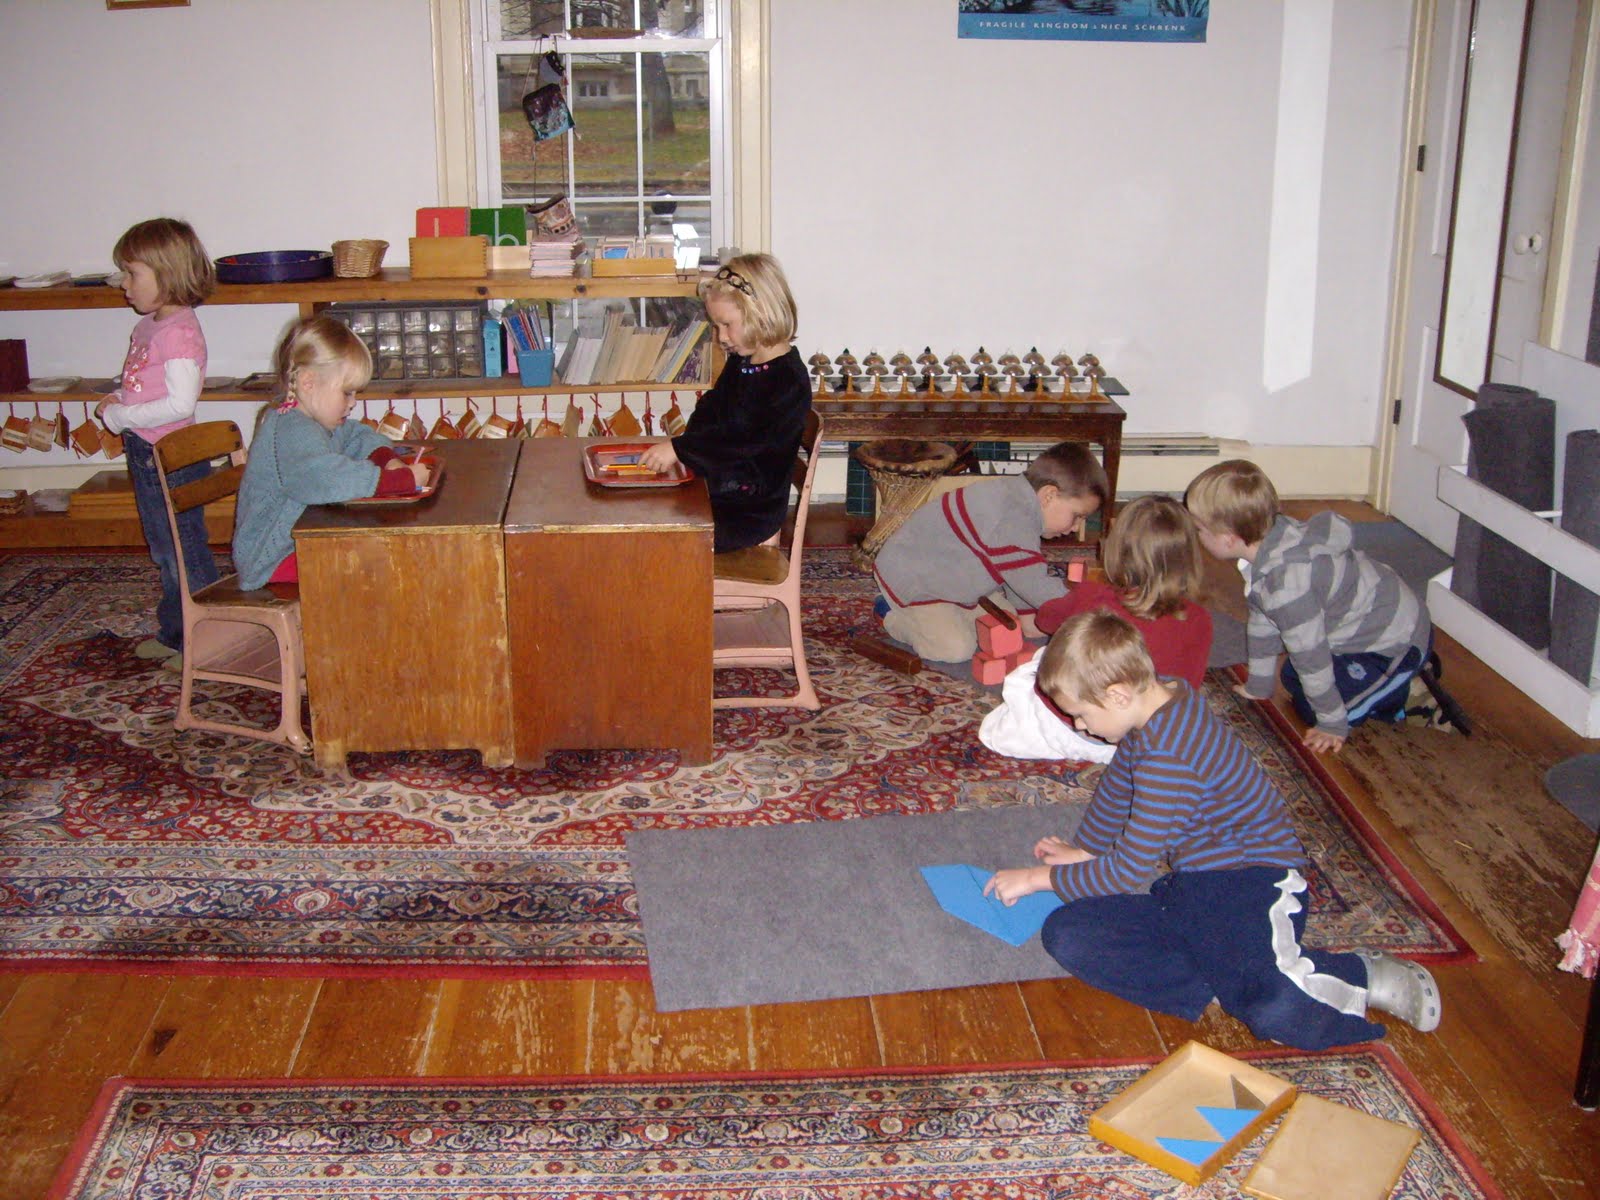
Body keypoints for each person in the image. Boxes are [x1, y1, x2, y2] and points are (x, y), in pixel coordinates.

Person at [984, 610, 1442, 1050]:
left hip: (1253, 880)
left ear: (1118, 695)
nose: (1080, 726)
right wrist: (1085, 849)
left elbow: (1126, 872)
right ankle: (1231, 979)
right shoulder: (1161, 701)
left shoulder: (1168, 758)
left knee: (1276, 1010)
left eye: (1081, 715)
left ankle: (1364, 975)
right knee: (1069, 933)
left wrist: (1037, 878)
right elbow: (1119, 785)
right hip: (1194, 887)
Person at [1184, 460, 1431, 755]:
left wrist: (1332, 724)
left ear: (1228, 539)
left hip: (1394, 641)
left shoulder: (1289, 588)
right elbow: (1263, 620)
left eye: (1199, 529)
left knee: (1314, 708)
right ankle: (1386, 687)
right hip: (1361, 626)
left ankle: (1402, 693)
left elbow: (1311, 657)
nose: (1196, 535)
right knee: (1292, 676)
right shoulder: (1272, 545)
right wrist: (1259, 685)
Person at [979, 494, 1213, 762]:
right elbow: (1187, 687)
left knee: (1041, 662)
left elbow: (1045, 619)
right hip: (1139, 738)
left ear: (1115, 550)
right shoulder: (1200, 619)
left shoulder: (1093, 595)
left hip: (1071, 727)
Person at [95, 217, 222, 670]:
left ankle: (209, 642)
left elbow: (178, 403)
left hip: (169, 456)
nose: (123, 284)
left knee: (183, 550)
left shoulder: (179, 332)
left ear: (168, 274)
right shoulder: (152, 324)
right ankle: (176, 633)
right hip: (147, 451)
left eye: (132, 274)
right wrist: (121, 396)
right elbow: (145, 381)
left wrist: (120, 416)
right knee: (164, 549)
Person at [232, 316, 428, 591]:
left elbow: (355, 435)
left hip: (294, 544)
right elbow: (325, 478)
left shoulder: (311, 419)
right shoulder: (291, 429)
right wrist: (400, 481)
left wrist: (388, 459)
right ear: (308, 383)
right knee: (376, 562)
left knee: (375, 554)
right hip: (273, 558)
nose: (353, 403)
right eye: (347, 393)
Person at [638, 253, 811, 553]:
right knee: (644, 506)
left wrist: (681, 449)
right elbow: (712, 410)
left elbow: (742, 442)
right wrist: (684, 448)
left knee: (655, 534)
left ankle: (672, 582)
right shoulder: (742, 362)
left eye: (727, 325)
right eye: (717, 327)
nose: (721, 337)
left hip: (748, 512)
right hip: (720, 489)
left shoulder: (788, 381)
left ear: (761, 312)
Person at [872, 442, 1107, 663]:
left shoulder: (1020, 501)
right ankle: (889, 614)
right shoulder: (1012, 518)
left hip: (954, 574)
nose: (1076, 527)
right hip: (915, 581)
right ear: (1049, 495)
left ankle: (951, 614)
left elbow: (1017, 572)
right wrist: (1093, 609)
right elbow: (1035, 584)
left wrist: (1027, 617)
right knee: (955, 648)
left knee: (1005, 627)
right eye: (1077, 516)